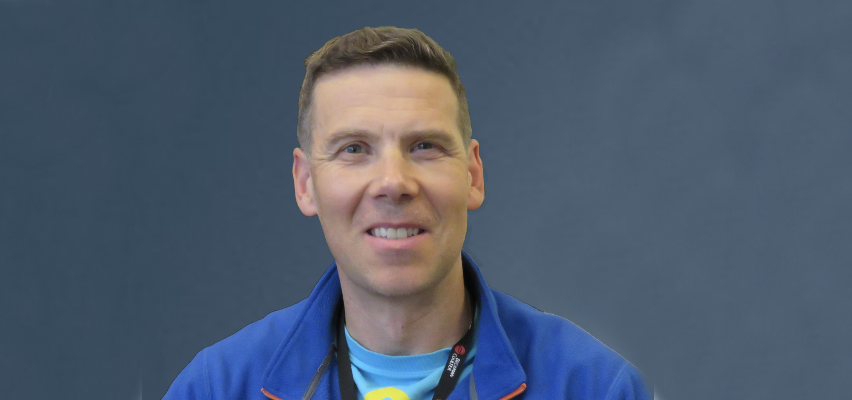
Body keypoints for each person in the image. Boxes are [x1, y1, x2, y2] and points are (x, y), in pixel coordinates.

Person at [163, 26, 652, 400]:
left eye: (424, 146)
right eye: (354, 149)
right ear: (305, 183)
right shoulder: (218, 386)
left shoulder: (592, 387)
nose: (394, 182)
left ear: (473, 176)